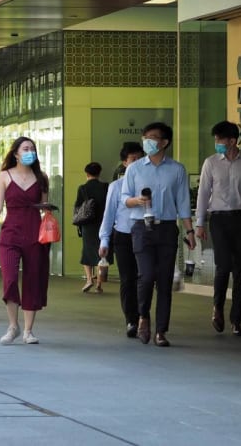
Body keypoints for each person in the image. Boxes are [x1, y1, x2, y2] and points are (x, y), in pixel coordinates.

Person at [122, 122, 196, 347]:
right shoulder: (134, 169)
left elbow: (183, 203)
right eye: (145, 137)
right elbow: (125, 198)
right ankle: (143, 317)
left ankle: (161, 330)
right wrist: (138, 200)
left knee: (164, 281)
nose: (148, 141)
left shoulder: (177, 170)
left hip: (166, 228)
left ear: (164, 142)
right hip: (141, 228)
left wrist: (189, 230)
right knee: (146, 276)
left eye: (152, 137)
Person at [194, 121, 241, 337]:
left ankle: (237, 319)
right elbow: (203, 193)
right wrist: (200, 223)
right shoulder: (210, 163)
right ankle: (217, 308)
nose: (216, 143)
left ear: (233, 141)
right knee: (223, 265)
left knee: (239, 271)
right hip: (218, 220)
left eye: (219, 140)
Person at [0, 136, 51, 345]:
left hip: (34, 233)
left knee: (33, 280)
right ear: (16, 154)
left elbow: (45, 207)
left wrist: (48, 210)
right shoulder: (4, 176)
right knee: (10, 279)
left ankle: (28, 331)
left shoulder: (42, 178)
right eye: (25, 148)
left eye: (33, 148)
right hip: (10, 232)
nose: (30, 152)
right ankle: (13, 325)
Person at [98, 142, 144, 337]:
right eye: (133, 160)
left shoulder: (148, 186)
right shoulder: (116, 187)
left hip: (146, 236)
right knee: (128, 279)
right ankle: (132, 320)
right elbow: (108, 215)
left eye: (140, 159)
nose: (137, 163)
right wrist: (104, 240)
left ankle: (144, 316)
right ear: (125, 163)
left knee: (145, 278)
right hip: (123, 236)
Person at [74, 162, 109, 293]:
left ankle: (89, 279)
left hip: (88, 224)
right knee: (103, 252)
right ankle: (99, 283)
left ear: (87, 174)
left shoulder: (82, 188)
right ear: (99, 173)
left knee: (87, 252)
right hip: (104, 223)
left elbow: (77, 207)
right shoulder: (106, 187)